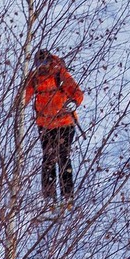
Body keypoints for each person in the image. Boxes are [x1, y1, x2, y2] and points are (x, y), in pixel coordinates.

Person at [23, 48, 84, 205]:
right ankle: (49, 198)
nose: (42, 67)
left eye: (45, 63)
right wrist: (19, 105)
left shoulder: (60, 73)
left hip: (65, 123)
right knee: (48, 158)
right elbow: (25, 97)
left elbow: (77, 93)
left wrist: (73, 103)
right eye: (39, 64)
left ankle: (67, 195)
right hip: (45, 124)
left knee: (63, 157)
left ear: (50, 61)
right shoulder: (34, 77)